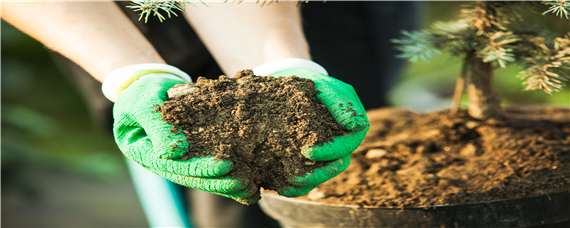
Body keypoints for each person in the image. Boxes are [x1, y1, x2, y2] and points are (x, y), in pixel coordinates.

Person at [2, 1, 418, 227]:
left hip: (302, 12)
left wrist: (281, 65)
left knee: (340, 183)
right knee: (192, 168)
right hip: (104, 13)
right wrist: (134, 73)